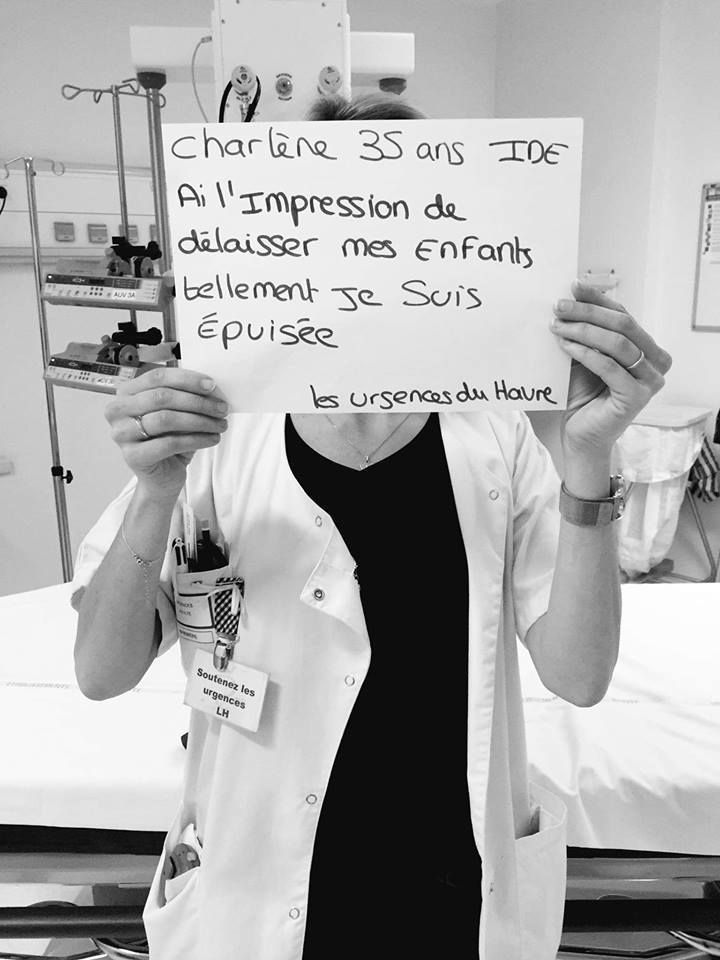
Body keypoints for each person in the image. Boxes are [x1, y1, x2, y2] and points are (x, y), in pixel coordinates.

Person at [72, 95, 672, 960]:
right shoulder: (213, 433)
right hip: (255, 891)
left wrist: (589, 455)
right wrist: (156, 490)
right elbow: (101, 671)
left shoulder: (494, 436)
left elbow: (578, 677)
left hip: (447, 889)